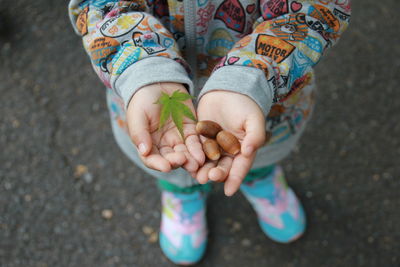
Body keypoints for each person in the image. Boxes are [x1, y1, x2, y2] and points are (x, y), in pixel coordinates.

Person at [68, 0, 351, 264]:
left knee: (253, 151)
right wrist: (142, 70)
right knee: (172, 165)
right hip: (149, 98)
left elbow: (315, 10)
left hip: (267, 97)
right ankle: (182, 195)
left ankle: (260, 179)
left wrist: (251, 77)